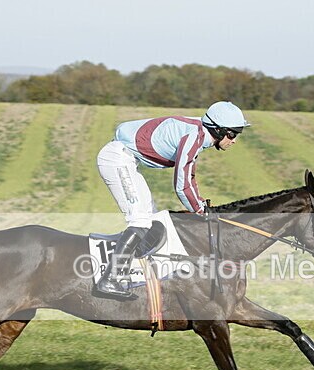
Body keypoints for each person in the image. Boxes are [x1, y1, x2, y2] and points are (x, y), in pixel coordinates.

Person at [93, 101, 250, 300]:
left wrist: (200, 204)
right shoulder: (194, 137)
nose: (234, 140)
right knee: (140, 221)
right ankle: (110, 279)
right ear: (218, 131)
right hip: (117, 159)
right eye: (232, 134)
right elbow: (182, 184)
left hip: (127, 159)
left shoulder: (200, 132)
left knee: (152, 218)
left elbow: (189, 177)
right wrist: (200, 210)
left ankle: (131, 269)